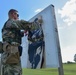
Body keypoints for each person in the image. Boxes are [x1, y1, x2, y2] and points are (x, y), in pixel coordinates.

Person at [1, 9, 43, 75]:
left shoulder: (8, 25)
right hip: (11, 55)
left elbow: (13, 35)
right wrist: (38, 22)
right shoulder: (11, 22)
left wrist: (23, 33)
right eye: (17, 15)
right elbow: (25, 24)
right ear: (13, 14)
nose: (18, 17)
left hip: (9, 54)